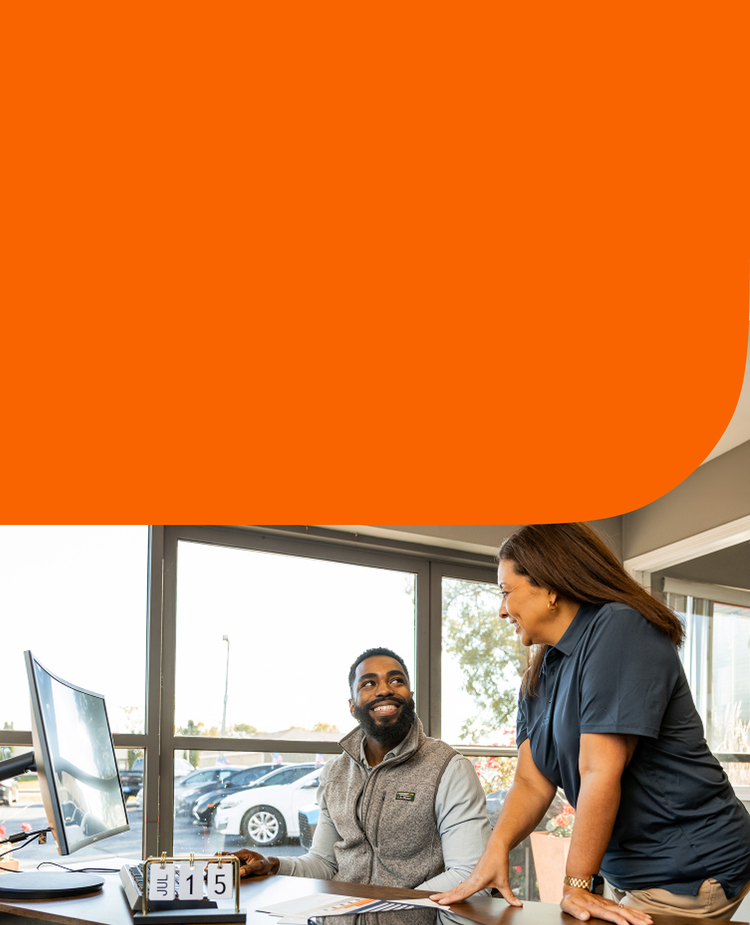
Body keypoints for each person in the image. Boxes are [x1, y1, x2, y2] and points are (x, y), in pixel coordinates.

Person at [431, 523, 750, 924]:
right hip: (632, 873)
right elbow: (532, 782)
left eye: (505, 591)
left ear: (550, 587)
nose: (501, 610)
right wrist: (495, 852)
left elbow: (600, 769)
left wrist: (577, 884)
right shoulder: (540, 673)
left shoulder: (620, 628)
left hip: (691, 868)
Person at [231, 647, 491, 891]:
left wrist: (389, 907)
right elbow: (324, 863)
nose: (384, 690)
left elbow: (468, 873)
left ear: (410, 697)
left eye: (396, 680)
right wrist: (273, 864)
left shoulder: (450, 769)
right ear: (352, 705)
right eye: (368, 683)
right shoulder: (334, 774)